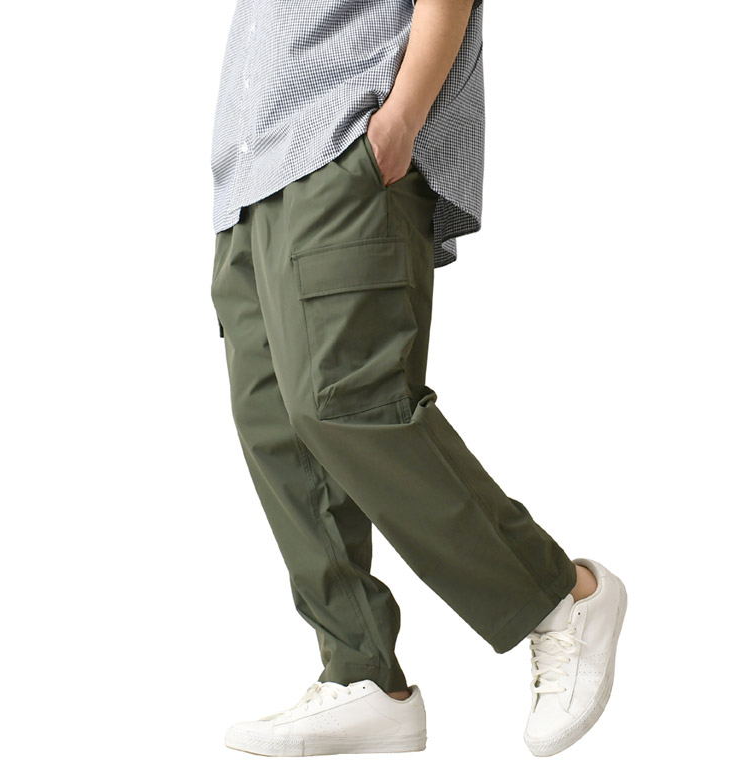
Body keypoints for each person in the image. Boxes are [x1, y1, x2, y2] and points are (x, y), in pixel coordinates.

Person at [209, 1, 627, 756]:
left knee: (350, 404)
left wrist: (400, 120)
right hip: (252, 175)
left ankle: (561, 596)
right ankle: (363, 675)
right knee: (277, 425)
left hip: (339, 142)